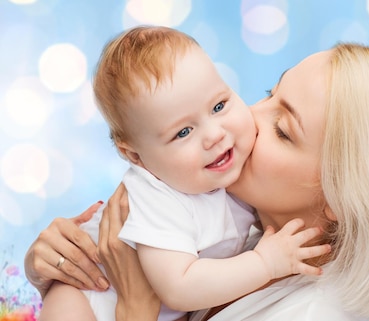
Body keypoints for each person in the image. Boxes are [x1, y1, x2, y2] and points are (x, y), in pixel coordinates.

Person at [25, 43, 369, 320]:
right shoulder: (241, 230)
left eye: (283, 130)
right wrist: (64, 265)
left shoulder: (312, 313)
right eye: (269, 93)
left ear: (342, 197)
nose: (247, 117)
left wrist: (136, 310)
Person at [36, 26, 330, 321]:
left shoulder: (230, 181)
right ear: (136, 156)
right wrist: (264, 263)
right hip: (88, 295)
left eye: (219, 105)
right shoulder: (156, 197)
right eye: (183, 132)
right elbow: (180, 286)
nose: (214, 135)